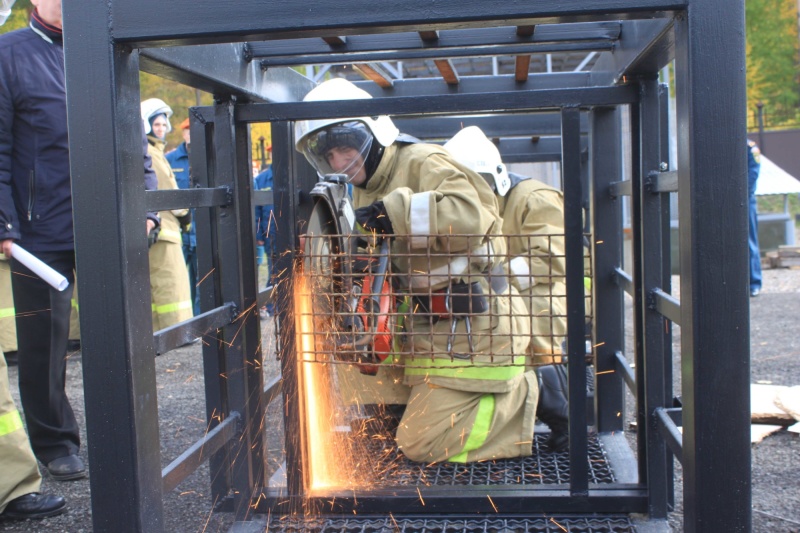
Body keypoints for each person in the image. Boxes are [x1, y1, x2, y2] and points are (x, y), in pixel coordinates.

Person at [296, 78, 543, 464]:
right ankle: (419, 406)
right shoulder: (358, 188)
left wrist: (394, 214)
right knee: (377, 420)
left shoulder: (422, 161)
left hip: (477, 336)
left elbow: (474, 215)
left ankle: (518, 400)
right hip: (425, 333)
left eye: (345, 148)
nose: (340, 163)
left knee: (420, 444)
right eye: (330, 157)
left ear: (375, 132)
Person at [0, 0, 160, 481]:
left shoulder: (109, 51)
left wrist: (146, 209)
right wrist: (5, 225)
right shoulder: (9, 54)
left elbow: (136, 143)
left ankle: (125, 433)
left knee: (119, 336)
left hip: (104, 224)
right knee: (42, 346)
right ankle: (56, 443)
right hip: (37, 234)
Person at [444, 126, 569, 451]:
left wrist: (491, 270)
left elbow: (553, 257)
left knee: (526, 316)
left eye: (478, 184)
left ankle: (563, 415)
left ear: (496, 178)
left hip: (544, 296)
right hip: (495, 293)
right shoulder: (458, 210)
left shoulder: (533, 199)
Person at [142, 98, 194, 331]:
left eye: (164, 125)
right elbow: (167, 190)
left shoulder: (155, 151)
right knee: (171, 284)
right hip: (164, 230)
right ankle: (176, 330)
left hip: (164, 228)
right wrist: (185, 214)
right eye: (157, 125)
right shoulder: (152, 153)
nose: (161, 129)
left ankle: (165, 331)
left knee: (163, 284)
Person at [166, 117, 200, 316]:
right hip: (178, 230)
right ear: (183, 133)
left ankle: (197, 319)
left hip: (199, 229)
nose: (191, 135)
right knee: (178, 279)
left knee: (201, 280)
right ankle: (182, 320)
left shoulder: (204, 157)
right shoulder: (171, 160)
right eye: (188, 131)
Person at [254, 164, 275, 316]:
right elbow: (256, 211)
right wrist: (259, 236)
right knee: (273, 270)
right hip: (270, 235)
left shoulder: (295, 173)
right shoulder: (261, 180)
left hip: (295, 234)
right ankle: (271, 306)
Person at [747, 140, 762, 297]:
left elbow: (753, 173)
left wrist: (741, 194)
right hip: (727, 200)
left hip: (745, 199)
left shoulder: (749, 148)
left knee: (750, 242)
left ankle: (754, 282)